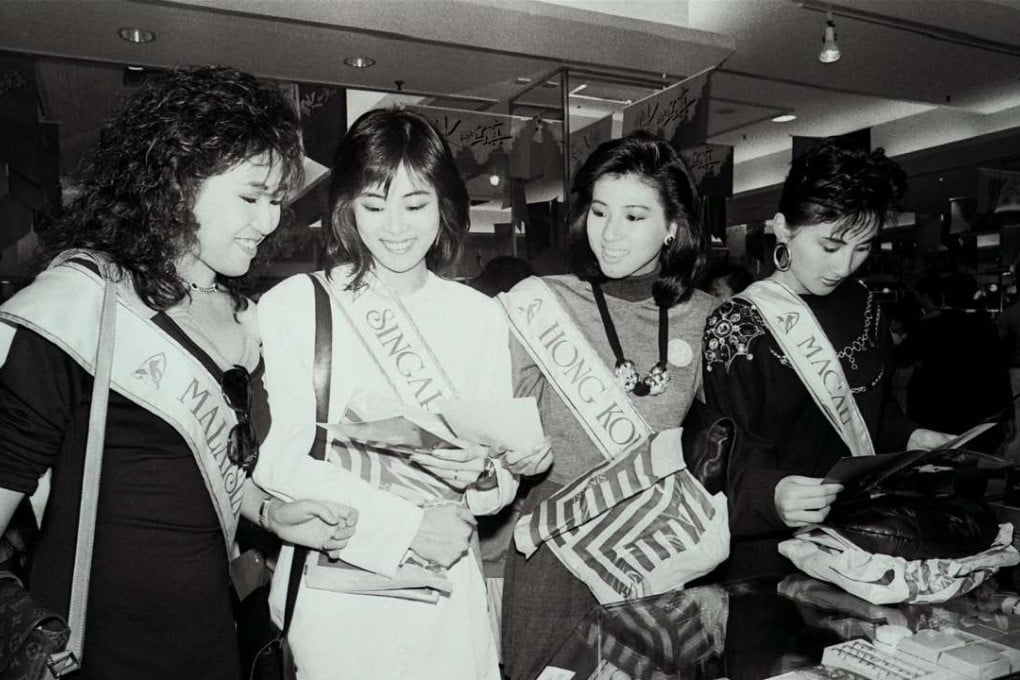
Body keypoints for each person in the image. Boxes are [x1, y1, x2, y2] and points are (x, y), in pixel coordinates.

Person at [0, 65, 356, 679]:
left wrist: (269, 512)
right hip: (92, 653)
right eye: (250, 196)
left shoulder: (245, 319)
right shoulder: (82, 304)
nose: (270, 221)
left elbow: (203, 469)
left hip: (215, 646)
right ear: (175, 182)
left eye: (277, 201)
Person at [254, 108, 549, 680]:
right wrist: (407, 527)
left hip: (445, 600)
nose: (395, 227)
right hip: (340, 592)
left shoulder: (479, 316)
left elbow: (496, 482)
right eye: (373, 204)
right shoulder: (296, 304)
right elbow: (281, 459)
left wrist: (487, 474)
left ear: (444, 205)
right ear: (346, 207)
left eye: (415, 205)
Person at [500, 131, 720, 680]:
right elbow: (506, 429)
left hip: (651, 544)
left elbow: (722, 441)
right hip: (554, 543)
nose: (610, 235)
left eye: (635, 216)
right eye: (600, 212)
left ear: (673, 226)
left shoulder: (708, 316)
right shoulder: (542, 303)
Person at [702, 139, 954, 581]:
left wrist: (914, 435)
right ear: (783, 228)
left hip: (859, 534)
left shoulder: (866, 304)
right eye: (831, 245)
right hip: (773, 546)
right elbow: (724, 447)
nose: (845, 266)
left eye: (863, 247)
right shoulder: (737, 326)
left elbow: (870, 409)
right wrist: (772, 493)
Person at [902, 271, 1011, 435]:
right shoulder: (985, 328)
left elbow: (902, 358)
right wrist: (1006, 415)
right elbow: (998, 373)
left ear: (945, 296)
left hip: (932, 407)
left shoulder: (928, 326)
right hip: (973, 408)